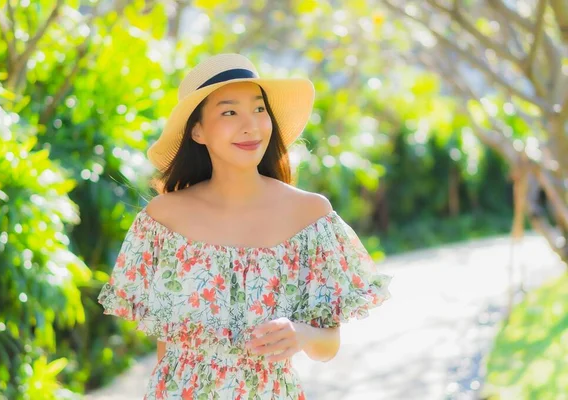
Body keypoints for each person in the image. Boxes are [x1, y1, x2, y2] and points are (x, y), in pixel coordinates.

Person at [97, 53, 392, 400]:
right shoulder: (163, 221)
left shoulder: (310, 216)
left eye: (258, 109)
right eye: (229, 112)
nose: (250, 125)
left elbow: (328, 344)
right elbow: (168, 348)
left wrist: (301, 334)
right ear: (198, 130)